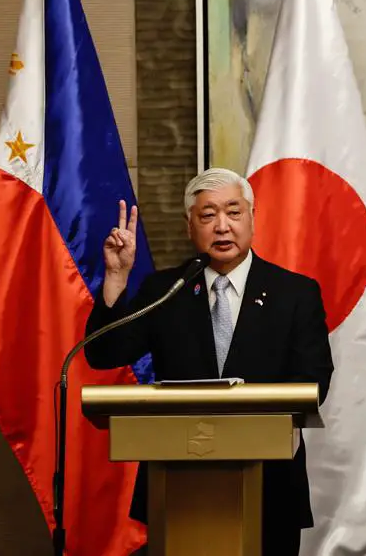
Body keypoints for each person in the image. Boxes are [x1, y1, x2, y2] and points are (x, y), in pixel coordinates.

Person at [85, 167, 334, 555]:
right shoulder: (167, 290)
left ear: (252, 219)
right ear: (190, 226)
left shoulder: (295, 293)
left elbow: (314, 382)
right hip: (178, 484)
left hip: (270, 486)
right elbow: (103, 354)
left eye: (234, 213)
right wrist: (116, 278)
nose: (222, 226)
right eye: (208, 215)